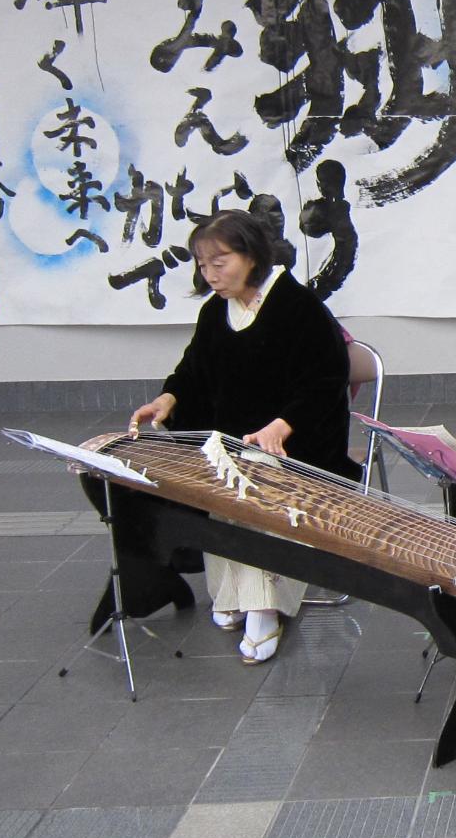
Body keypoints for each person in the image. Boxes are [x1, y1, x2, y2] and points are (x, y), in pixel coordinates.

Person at [128, 210, 355, 665]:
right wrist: (170, 398)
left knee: (253, 479)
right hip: (234, 438)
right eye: (203, 264)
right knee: (213, 469)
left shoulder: (297, 306)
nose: (210, 274)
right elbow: (194, 370)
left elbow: (325, 380)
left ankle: (262, 606)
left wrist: (283, 423)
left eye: (220, 262)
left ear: (251, 256)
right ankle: (231, 591)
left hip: (295, 443)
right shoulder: (216, 312)